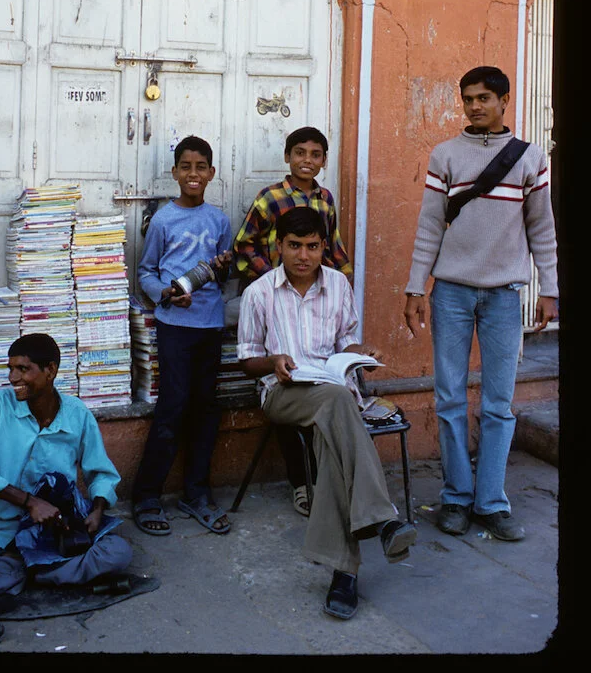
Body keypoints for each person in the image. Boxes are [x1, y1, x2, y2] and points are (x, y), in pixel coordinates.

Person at [237, 206, 416, 620]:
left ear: (324, 248)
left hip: (333, 392)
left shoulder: (338, 285)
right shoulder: (259, 292)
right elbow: (247, 359)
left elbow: (346, 342)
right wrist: (275, 360)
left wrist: (361, 353)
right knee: (337, 403)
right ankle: (382, 518)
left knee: (333, 442)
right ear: (278, 246)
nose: (304, 255)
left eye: (313, 247)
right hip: (284, 392)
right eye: (294, 246)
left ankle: (345, 573)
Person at [404, 66, 558, 542]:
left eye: (484, 98)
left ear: (504, 100)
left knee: (499, 403)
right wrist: (414, 288)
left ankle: (491, 502)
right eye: (468, 98)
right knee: (449, 396)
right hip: (449, 291)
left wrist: (550, 290)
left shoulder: (531, 159)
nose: (475, 106)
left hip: (504, 297)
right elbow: (430, 226)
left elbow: (542, 230)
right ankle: (455, 498)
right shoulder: (445, 155)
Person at [0, 333, 132, 601]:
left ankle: (22, 571)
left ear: (50, 370)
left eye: (23, 369)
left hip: (54, 529)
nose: (13, 378)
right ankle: (39, 570)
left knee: (118, 552)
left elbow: (100, 472)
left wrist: (97, 510)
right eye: (11, 369)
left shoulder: (77, 414)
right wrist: (28, 502)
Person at [233, 126, 353, 518]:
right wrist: (273, 275)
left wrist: (338, 279)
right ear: (287, 156)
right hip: (280, 301)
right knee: (289, 385)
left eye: (315, 154)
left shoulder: (326, 199)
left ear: (323, 160)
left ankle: (336, 485)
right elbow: (244, 243)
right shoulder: (271, 198)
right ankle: (305, 484)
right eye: (299, 152)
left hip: (314, 300)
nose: (307, 160)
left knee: (330, 389)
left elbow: (332, 245)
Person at [132, 135, 233, 537]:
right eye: (185, 167)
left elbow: (224, 277)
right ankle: (147, 495)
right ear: (174, 173)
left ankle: (196, 493)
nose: (193, 174)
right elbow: (145, 272)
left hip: (210, 326)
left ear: (212, 173)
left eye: (201, 167)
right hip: (176, 326)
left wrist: (223, 266)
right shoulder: (163, 220)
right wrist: (166, 294)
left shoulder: (220, 220)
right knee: (172, 408)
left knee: (206, 410)